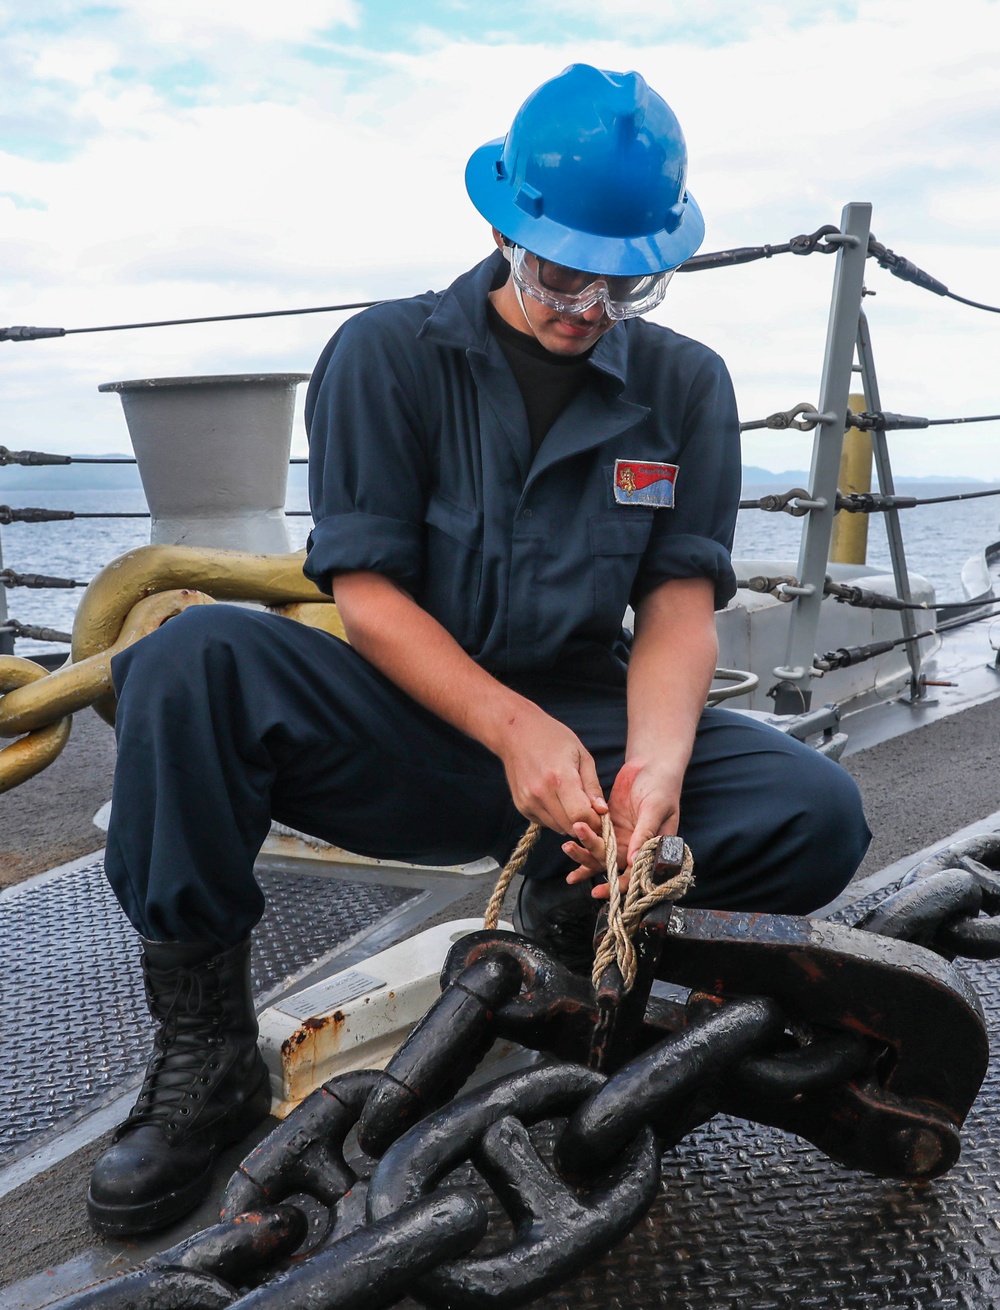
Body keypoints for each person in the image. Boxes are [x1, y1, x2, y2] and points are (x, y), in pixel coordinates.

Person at [86, 63, 871, 1237]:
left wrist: (652, 764)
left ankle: (560, 943)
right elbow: (366, 593)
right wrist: (513, 727)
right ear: (503, 230)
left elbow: (675, 603)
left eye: (625, 284)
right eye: (562, 272)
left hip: (586, 733)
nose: (586, 308)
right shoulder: (386, 356)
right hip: (410, 720)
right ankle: (205, 1056)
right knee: (191, 659)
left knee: (814, 805)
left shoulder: (685, 385)